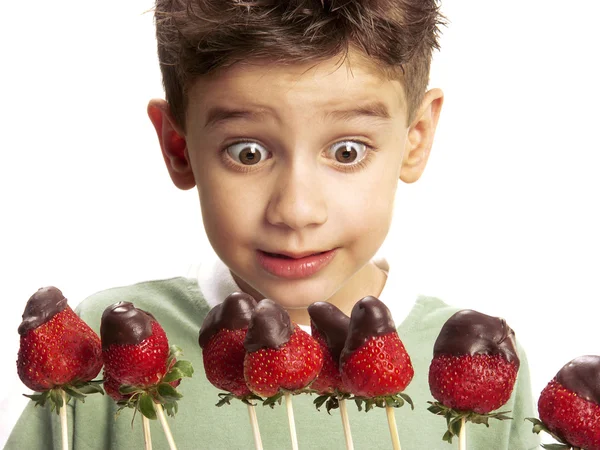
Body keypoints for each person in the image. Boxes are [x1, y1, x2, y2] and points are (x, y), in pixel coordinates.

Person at [6, 0, 540, 449]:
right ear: (179, 147)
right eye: (248, 151)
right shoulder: (98, 346)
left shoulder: (484, 363)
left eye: (347, 150)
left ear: (416, 136)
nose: (296, 209)